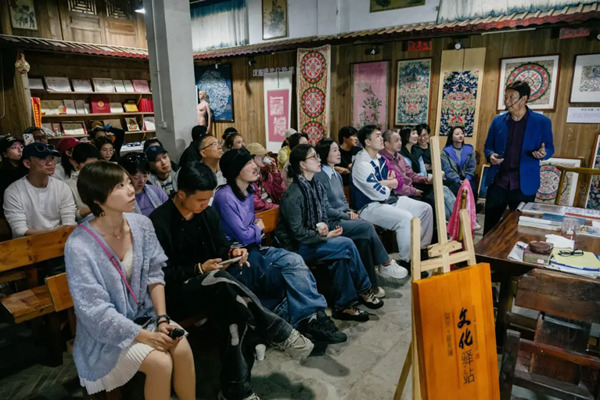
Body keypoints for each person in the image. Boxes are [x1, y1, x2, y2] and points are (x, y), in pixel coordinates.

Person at [149, 161, 315, 400]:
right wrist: (198, 268)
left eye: (208, 199)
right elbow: (160, 275)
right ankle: (277, 331)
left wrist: (232, 253)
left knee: (236, 316)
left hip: (214, 286)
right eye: (200, 200)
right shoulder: (159, 222)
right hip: (176, 295)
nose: (205, 205)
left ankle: (237, 390)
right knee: (221, 282)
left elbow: (220, 247)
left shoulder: (207, 213)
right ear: (181, 194)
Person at [65, 161, 195, 399]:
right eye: (120, 186)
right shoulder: (79, 244)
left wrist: (162, 318)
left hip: (146, 317)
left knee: (182, 347)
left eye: (128, 182)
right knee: (161, 362)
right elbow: (94, 311)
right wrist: (147, 337)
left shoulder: (141, 224)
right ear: (97, 198)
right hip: (105, 333)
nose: (131, 189)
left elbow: (155, 273)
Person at [213, 148, 346, 344]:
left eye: (252, 161)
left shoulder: (249, 191)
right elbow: (245, 235)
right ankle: (306, 321)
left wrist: (254, 228)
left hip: (255, 248)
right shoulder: (224, 196)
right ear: (234, 171)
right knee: (277, 272)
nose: (254, 166)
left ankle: (314, 316)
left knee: (295, 260)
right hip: (237, 255)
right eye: (248, 163)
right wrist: (257, 228)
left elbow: (251, 226)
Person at [276, 144, 383, 322]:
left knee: (340, 258)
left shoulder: (316, 185)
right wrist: (324, 235)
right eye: (313, 157)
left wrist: (327, 227)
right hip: (298, 246)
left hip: (314, 239)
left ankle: (344, 306)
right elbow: (297, 233)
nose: (319, 160)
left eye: (318, 156)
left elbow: (324, 212)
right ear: (302, 164)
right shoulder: (292, 195)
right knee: (346, 244)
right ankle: (364, 288)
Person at [314, 138, 409, 290]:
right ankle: (386, 263)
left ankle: (371, 285)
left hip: (344, 216)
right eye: (334, 150)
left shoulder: (336, 175)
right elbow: (326, 208)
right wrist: (347, 215)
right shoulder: (319, 177)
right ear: (325, 154)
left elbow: (343, 200)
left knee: (364, 238)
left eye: (338, 150)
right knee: (366, 226)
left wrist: (349, 212)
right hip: (332, 220)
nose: (339, 153)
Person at [351, 126, 433, 268]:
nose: (381, 138)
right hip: (369, 206)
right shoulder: (361, 164)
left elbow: (399, 181)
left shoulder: (381, 159)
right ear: (367, 142)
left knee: (425, 209)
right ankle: (407, 261)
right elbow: (379, 193)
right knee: (405, 219)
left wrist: (387, 183)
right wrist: (390, 184)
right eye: (377, 136)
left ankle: (420, 249)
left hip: (390, 200)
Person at [483, 80, 554, 234]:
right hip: (498, 183)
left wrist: (544, 153)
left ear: (524, 99)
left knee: (519, 230)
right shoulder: (498, 121)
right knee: (490, 228)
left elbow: (549, 147)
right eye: (505, 97)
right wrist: (491, 155)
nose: (507, 101)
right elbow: (488, 146)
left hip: (524, 185)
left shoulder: (542, 122)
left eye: (511, 97)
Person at [3, 143, 76, 238]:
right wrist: (52, 233)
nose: (50, 163)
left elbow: (69, 221)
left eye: (52, 158)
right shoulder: (13, 191)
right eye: (42, 158)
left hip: (61, 239)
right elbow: (20, 230)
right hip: (28, 242)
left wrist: (58, 232)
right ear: (27, 163)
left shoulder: (62, 187)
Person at [380, 129, 455, 221]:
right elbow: (397, 186)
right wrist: (414, 191)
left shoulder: (399, 156)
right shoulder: (383, 160)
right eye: (396, 141)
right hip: (400, 194)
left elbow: (411, 174)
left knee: (442, 188)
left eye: (400, 140)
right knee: (434, 200)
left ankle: (455, 220)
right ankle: (448, 223)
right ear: (387, 144)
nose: (400, 143)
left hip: (411, 187)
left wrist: (426, 179)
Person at [245, 142, 286, 211]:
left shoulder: (266, 174)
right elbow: (257, 204)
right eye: (261, 154)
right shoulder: (247, 178)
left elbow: (278, 193)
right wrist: (277, 207)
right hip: (262, 213)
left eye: (265, 155)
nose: (264, 157)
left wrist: (275, 172)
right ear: (251, 157)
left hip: (272, 209)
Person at [441, 126, 478, 198]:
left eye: (462, 133)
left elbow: (472, 165)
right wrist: (457, 180)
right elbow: (447, 168)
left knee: (472, 190)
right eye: (457, 134)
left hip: (467, 178)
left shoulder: (470, 149)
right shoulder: (446, 151)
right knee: (458, 190)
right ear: (451, 137)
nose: (460, 136)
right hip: (452, 179)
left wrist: (467, 178)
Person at [67, 143, 100, 221]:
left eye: (96, 164)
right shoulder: (69, 186)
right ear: (76, 163)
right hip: (86, 223)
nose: (93, 168)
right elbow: (72, 215)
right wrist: (92, 208)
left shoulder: (105, 178)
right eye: (89, 165)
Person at [0, 136, 25, 215]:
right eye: (14, 147)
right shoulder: (3, 173)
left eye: (21, 147)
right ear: (5, 154)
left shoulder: (26, 168)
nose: (20, 150)